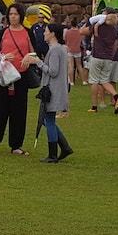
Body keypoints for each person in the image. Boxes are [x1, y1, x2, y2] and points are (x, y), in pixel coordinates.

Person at [0, 2, 40, 155]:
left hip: (20, 76)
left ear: (21, 15)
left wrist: (29, 59)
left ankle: (16, 144)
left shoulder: (28, 33)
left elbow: (34, 53)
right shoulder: (2, 32)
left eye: (16, 14)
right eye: (10, 14)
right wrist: (3, 57)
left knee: (19, 111)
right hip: (3, 76)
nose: (13, 17)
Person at [27, 22, 73, 162]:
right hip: (56, 88)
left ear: (52, 33)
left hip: (53, 90)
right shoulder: (59, 49)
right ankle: (64, 147)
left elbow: (53, 71)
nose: (44, 34)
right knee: (47, 120)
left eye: (46, 31)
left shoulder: (54, 50)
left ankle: (54, 154)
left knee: (48, 120)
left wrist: (38, 62)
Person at [82, 8, 118, 113]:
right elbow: (116, 44)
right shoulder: (115, 30)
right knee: (105, 80)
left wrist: (89, 23)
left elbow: (82, 32)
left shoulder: (99, 27)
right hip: (108, 58)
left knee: (94, 81)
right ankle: (116, 95)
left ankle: (94, 106)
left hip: (97, 56)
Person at [63, 14, 86, 86]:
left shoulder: (67, 32)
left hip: (70, 50)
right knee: (79, 65)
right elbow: (82, 39)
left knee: (71, 66)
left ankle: (71, 82)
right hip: (77, 50)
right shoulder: (79, 32)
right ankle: (84, 81)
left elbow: (65, 40)